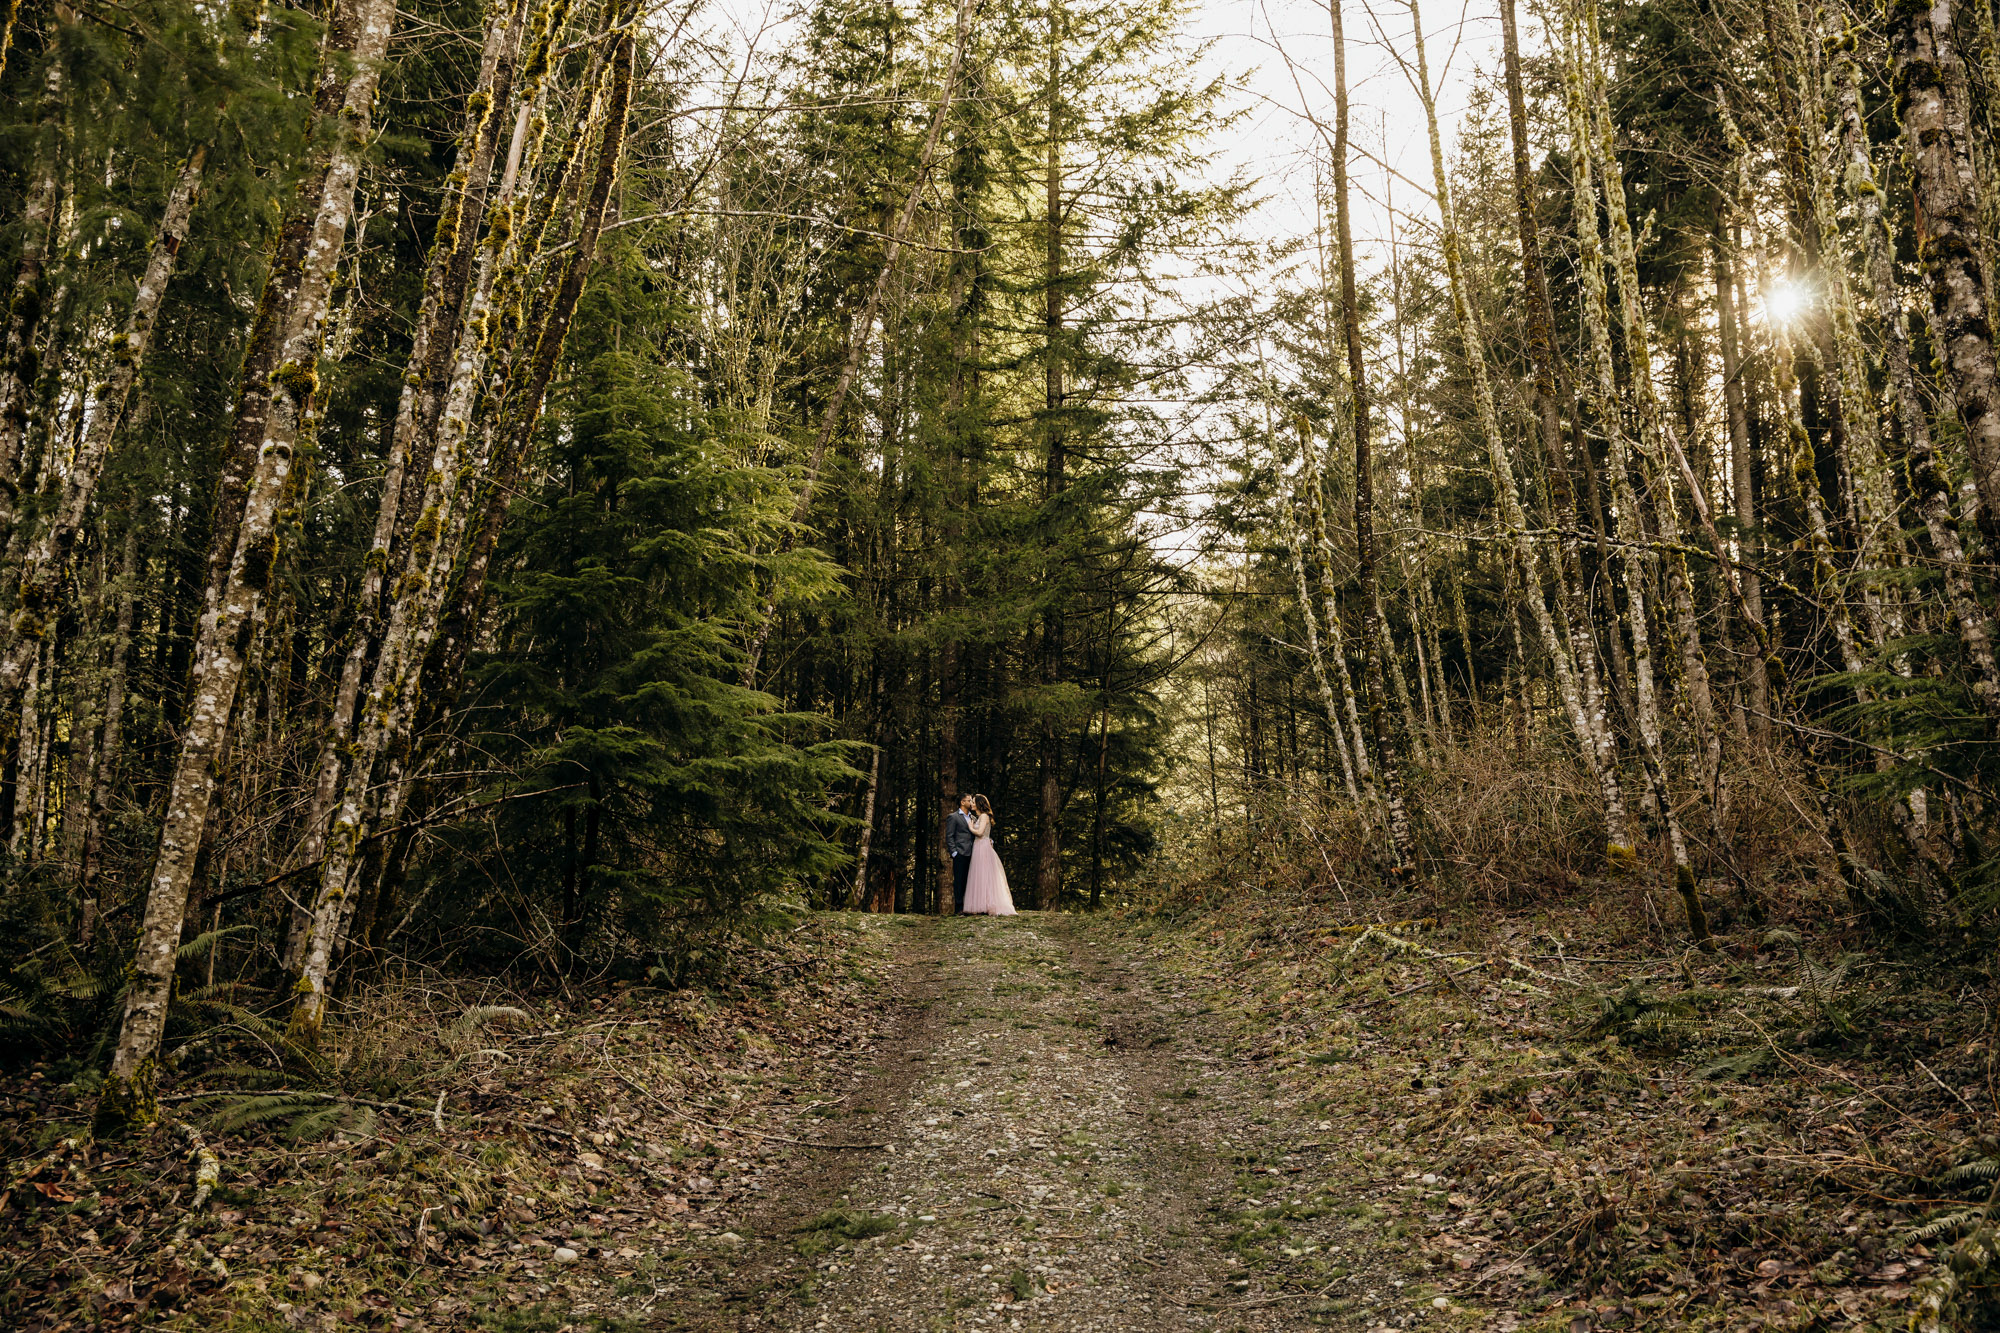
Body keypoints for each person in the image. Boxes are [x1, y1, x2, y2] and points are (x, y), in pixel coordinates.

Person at [962, 794, 1017, 916]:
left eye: (974, 802)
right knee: (979, 875)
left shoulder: (984, 816)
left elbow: (980, 833)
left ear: (979, 804)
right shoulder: (980, 817)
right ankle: (981, 904)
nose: (972, 804)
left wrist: (971, 827)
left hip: (982, 847)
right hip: (979, 846)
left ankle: (987, 904)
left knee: (984, 875)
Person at [944, 794, 976, 913]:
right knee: (959, 880)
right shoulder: (953, 817)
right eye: (969, 800)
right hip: (960, 853)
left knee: (970, 880)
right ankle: (959, 908)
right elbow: (949, 836)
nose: (972, 803)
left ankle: (969, 907)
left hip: (972, 853)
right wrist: (954, 852)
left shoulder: (973, 817)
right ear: (962, 802)